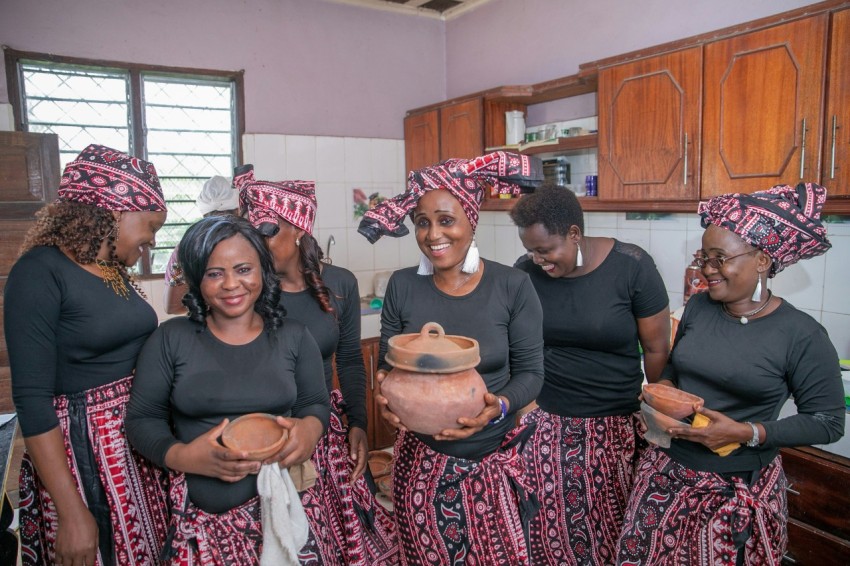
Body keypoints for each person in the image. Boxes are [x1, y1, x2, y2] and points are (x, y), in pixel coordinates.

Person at [616, 183, 846, 565]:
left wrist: (744, 431)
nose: (707, 270)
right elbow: (675, 368)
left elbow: (827, 422)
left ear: (762, 260)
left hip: (734, 487)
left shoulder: (801, 334)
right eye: (704, 257)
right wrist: (664, 393)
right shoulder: (700, 308)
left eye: (720, 258)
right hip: (665, 473)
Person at [358, 151, 546, 565]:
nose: (432, 234)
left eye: (446, 220)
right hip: (418, 468)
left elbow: (532, 374)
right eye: (422, 222)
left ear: (470, 220)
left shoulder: (512, 286)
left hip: (495, 462)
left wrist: (497, 407)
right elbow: (387, 367)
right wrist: (384, 397)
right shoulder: (403, 286)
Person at [126, 215, 330, 564]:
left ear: (263, 272)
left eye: (243, 269)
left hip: (289, 509)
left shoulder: (294, 336)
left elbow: (315, 402)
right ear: (195, 278)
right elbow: (142, 419)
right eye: (214, 273)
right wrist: (182, 456)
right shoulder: (170, 339)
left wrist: (310, 430)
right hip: (204, 526)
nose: (231, 284)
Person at [4, 144, 169, 566]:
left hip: (133, 443)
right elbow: (32, 399)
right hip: (86, 453)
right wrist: (70, 509)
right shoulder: (39, 272)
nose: (151, 240)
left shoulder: (112, 270)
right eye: (150, 226)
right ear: (115, 212)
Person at [234, 164, 399, 564]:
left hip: (323, 428)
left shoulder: (339, 284)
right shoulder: (246, 290)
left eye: (268, 232)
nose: (256, 244)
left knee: (332, 538)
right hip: (262, 437)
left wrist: (358, 423)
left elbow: (350, 360)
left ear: (300, 229)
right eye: (251, 233)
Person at [509, 183, 671, 565]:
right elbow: (520, 346)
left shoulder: (631, 266)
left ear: (574, 233)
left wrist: (659, 421)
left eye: (546, 250)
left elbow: (657, 349)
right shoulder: (526, 273)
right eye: (530, 251)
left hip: (613, 427)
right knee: (546, 534)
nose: (538, 260)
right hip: (546, 424)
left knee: (610, 535)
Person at [163, 175, 238, 314]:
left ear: (204, 213)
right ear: (238, 210)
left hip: (205, 328)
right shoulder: (251, 243)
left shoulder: (186, 247)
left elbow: (173, 306)